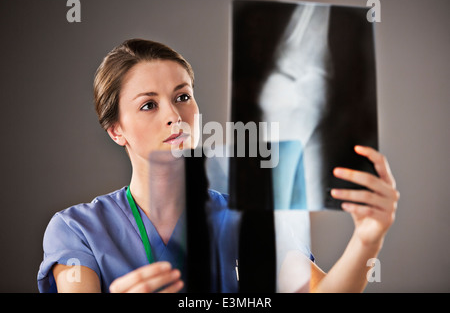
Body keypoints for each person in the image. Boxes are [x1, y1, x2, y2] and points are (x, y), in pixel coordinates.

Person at [37, 38, 399, 293]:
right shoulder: (75, 230)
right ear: (116, 130)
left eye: (182, 97)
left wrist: (367, 240)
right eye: (149, 105)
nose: (175, 116)